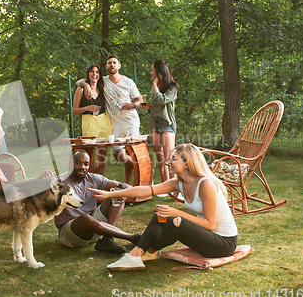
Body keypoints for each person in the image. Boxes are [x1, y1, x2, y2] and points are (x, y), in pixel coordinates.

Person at [89, 144, 238, 271]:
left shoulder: (205, 185)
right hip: (207, 238)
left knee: (177, 222)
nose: (169, 162)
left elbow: (209, 224)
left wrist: (177, 212)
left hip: (223, 244)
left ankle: (148, 251)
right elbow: (146, 190)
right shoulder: (179, 183)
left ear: (186, 163)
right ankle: (137, 254)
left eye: (174, 159)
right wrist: (110, 195)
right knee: (160, 215)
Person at [54, 149, 141, 253]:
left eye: (86, 164)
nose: (82, 167)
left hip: (94, 228)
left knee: (117, 193)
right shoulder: (60, 181)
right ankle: (133, 237)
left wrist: (124, 191)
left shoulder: (92, 178)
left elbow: (122, 185)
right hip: (72, 234)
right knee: (85, 218)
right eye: (78, 163)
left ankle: (107, 239)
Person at [77, 55, 142, 184]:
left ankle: (128, 184)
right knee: (120, 156)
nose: (112, 65)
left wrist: (132, 105)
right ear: (106, 66)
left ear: (119, 66)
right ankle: (141, 168)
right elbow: (79, 82)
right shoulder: (103, 81)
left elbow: (140, 100)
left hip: (131, 124)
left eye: (114, 63)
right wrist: (86, 85)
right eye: (109, 63)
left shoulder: (128, 82)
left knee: (129, 155)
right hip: (115, 125)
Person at [142, 59, 179, 182]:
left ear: (159, 72)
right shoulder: (157, 87)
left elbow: (162, 100)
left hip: (166, 125)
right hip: (154, 124)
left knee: (170, 157)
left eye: (153, 70)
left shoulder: (173, 87)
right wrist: (150, 107)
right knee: (160, 156)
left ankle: (175, 188)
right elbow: (158, 105)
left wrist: (154, 86)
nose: (151, 73)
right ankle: (165, 185)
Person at [73, 64, 112, 175]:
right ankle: (91, 179)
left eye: (97, 72)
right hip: (89, 122)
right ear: (88, 74)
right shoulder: (81, 89)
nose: (94, 74)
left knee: (102, 156)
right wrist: (87, 108)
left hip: (103, 122)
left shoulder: (102, 88)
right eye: (92, 71)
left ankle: (100, 182)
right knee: (88, 156)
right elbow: (74, 110)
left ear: (99, 75)